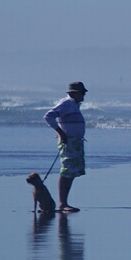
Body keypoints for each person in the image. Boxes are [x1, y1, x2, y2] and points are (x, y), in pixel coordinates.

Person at [44, 82, 88, 212]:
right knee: (67, 170)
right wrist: (61, 132)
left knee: (72, 172)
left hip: (75, 142)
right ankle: (62, 203)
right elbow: (48, 116)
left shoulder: (74, 105)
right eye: (82, 92)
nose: (84, 95)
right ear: (74, 93)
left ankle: (64, 202)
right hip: (69, 141)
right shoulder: (67, 103)